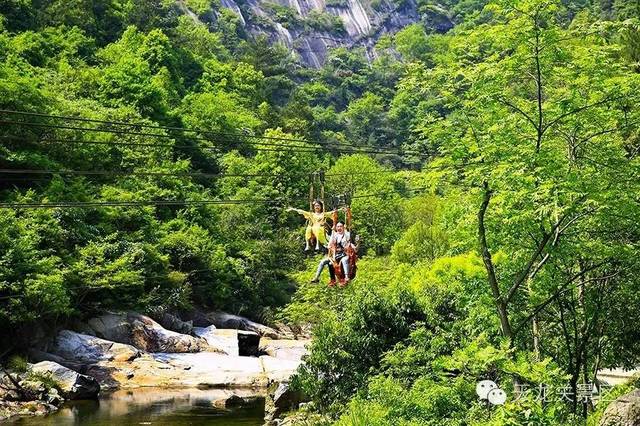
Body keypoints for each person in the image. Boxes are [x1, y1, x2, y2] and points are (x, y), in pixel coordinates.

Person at [311, 221, 352, 286]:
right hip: (335, 255)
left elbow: (348, 236)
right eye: (338, 226)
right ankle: (316, 277)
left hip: (344, 254)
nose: (339, 228)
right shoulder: (334, 235)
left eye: (340, 226)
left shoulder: (346, 234)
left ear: (343, 227)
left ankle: (347, 277)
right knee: (323, 262)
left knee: (344, 260)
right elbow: (329, 245)